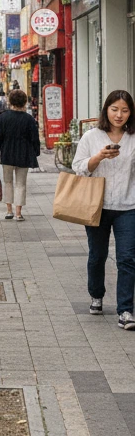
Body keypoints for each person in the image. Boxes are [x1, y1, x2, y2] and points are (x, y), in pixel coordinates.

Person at [72, 90, 135, 328]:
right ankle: (96, 295)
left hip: (128, 205)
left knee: (127, 258)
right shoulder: (91, 137)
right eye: (115, 109)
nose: (119, 115)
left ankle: (126, 310)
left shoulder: (133, 137)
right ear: (106, 110)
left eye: (125, 110)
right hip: (96, 206)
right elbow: (78, 167)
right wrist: (99, 156)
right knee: (97, 256)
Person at [0, 88, 40, 222]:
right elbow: (35, 138)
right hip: (24, 155)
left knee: (8, 182)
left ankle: (9, 211)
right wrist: (36, 152)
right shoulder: (29, 119)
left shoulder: (3, 118)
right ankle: (18, 213)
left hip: (7, 154)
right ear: (24, 102)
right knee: (21, 184)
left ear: (10, 102)